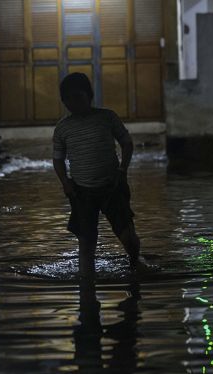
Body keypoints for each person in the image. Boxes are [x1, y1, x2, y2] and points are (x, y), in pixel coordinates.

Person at [52, 72, 145, 278]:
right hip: (81, 191)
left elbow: (126, 143)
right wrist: (66, 182)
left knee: (127, 236)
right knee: (86, 242)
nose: (74, 103)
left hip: (112, 186)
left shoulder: (107, 117)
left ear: (89, 95)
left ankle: (135, 265)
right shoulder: (62, 128)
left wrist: (122, 170)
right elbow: (58, 159)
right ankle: (86, 287)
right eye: (68, 99)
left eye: (78, 97)